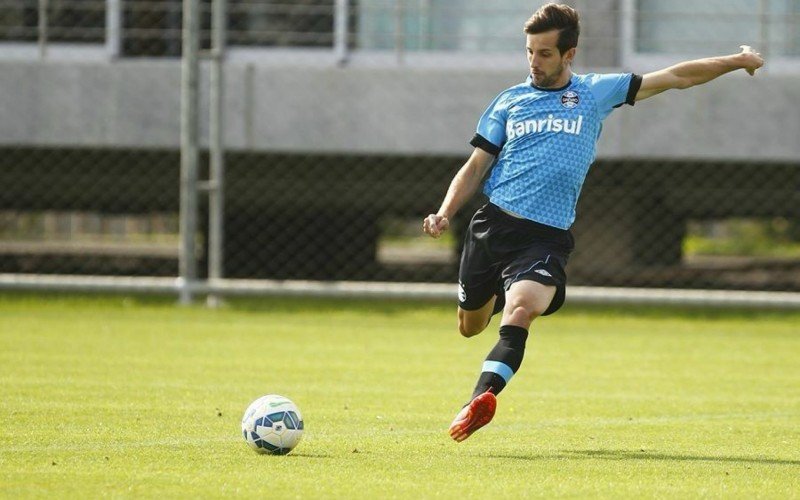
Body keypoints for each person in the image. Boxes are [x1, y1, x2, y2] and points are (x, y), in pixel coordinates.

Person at [422, 3, 764, 442]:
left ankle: (478, 399)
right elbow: (474, 167)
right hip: (491, 228)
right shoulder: (509, 101)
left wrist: (736, 61)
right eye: (529, 52)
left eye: (545, 53)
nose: (534, 61)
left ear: (569, 55)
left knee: (522, 309)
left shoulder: (595, 93)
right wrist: (445, 212)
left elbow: (676, 77)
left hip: (545, 238)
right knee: (470, 326)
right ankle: (484, 304)